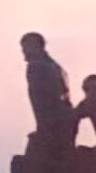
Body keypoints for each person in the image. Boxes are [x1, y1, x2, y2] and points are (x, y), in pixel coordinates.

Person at [20, 32, 72, 161]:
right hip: (64, 123)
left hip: (52, 127)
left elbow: (41, 102)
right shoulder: (56, 67)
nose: (24, 52)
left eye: (26, 47)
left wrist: (43, 129)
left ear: (36, 46)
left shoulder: (36, 67)